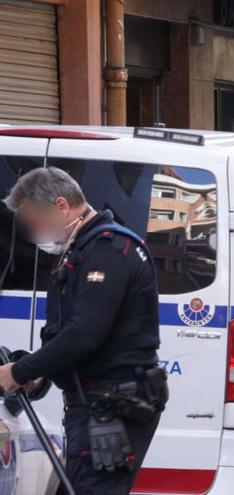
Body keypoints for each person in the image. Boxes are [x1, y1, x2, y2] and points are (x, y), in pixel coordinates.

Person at [0, 167, 167, 494]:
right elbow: (74, 332)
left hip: (112, 405)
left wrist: (19, 372)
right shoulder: (84, 249)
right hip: (96, 403)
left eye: (34, 222)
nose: (34, 233)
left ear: (61, 206)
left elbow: (85, 334)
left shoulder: (107, 250)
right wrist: (43, 371)